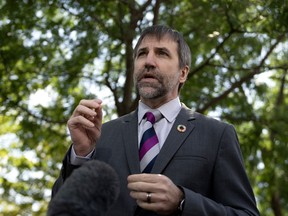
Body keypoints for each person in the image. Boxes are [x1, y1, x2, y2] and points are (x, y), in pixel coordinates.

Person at [52, 25, 260, 216]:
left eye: (162, 53)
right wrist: (80, 156)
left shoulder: (217, 135)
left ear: (183, 73)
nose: (149, 61)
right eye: (142, 54)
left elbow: (246, 213)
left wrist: (182, 201)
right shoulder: (100, 135)